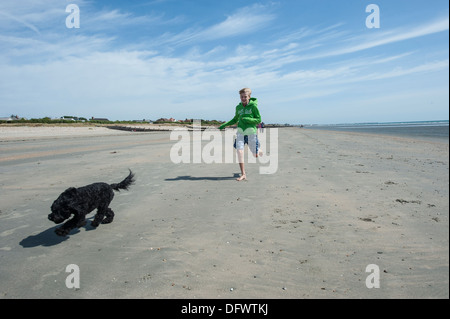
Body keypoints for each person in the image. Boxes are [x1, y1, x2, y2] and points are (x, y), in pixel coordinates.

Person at [219, 88, 261, 181]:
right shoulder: (238, 108)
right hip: (241, 133)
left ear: (249, 97)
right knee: (239, 152)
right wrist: (225, 124)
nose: (243, 98)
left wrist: (248, 119)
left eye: (245, 97)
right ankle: (243, 174)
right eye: (241, 97)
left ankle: (258, 149)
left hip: (251, 133)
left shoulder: (253, 107)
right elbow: (235, 119)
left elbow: (258, 120)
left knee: (255, 155)